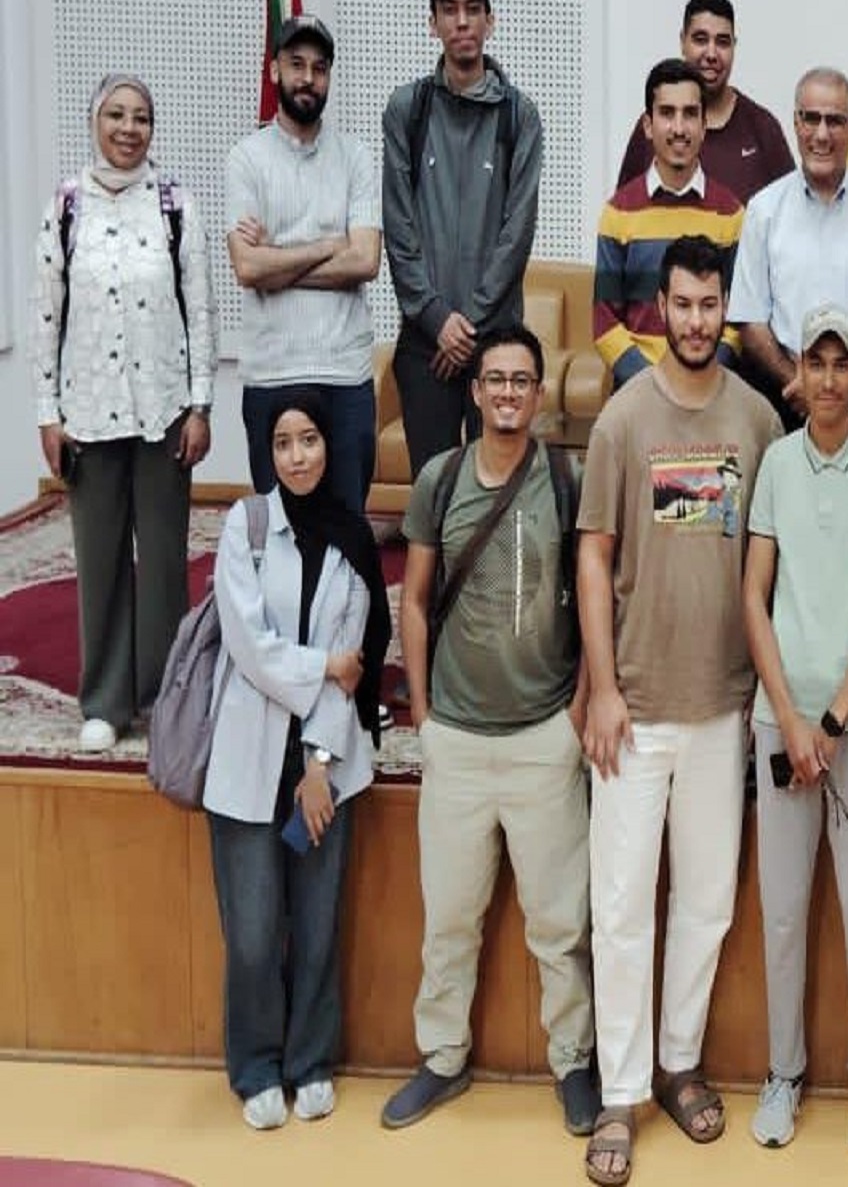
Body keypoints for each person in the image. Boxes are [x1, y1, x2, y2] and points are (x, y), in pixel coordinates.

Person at [575, 236, 783, 1186]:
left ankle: (676, 1062)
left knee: (703, 903)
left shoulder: (757, 420)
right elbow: (592, 555)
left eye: (712, 304)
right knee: (621, 906)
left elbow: (765, 565)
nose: (698, 320)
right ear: (658, 307)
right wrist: (604, 686)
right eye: (684, 304)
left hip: (724, 708)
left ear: (726, 308)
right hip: (636, 709)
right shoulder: (622, 420)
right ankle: (618, 1090)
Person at [381, 326, 597, 1136]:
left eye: (522, 381)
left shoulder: (566, 480)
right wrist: (425, 718)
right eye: (495, 380)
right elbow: (413, 595)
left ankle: (573, 1061)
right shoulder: (440, 479)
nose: (508, 393)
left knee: (560, 923)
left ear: (539, 393)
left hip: (546, 734)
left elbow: (593, 592)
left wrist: (577, 709)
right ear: (475, 392)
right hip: (460, 742)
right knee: (449, 914)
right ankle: (441, 1056)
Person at [743, 305, 848, 1153]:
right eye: (818, 362)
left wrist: (836, 719)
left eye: (845, 363)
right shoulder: (775, 460)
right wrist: (791, 717)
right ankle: (782, 1072)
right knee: (782, 911)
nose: (832, 378)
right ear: (800, 373)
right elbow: (753, 595)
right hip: (783, 724)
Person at [203, 392, 390, 1130]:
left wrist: (318, 764)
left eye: (310, 439)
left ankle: (309, 1058)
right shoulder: (243, 527)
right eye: (283, 443)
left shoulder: (352, 541)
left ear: (330, 446)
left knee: (316, 923)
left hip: (324, 759)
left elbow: (358, 666)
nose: (298, 456)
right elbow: (253, 650)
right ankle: (254, 1063)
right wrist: (325, 666)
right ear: (268, 454)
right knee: (251, 928)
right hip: (247, 754)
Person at [33, 72, 214, 751]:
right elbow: (46, 313)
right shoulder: (67, 206)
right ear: (94, 122)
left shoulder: (174, 205)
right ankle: (106, 701)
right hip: (90, 410)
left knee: (165, 559)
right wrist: (47, 412)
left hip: (164, 407)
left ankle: (165, 695)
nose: (129, 128)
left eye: (141, 117)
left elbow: (200, 311)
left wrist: (200, 405)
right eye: (116, 115)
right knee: (101, 558)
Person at [383, 0, 544, 473]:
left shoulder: (519, 115)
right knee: (432, 492)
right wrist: (436, 319)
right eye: (449, 11)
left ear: (490, 22)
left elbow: (516, 234)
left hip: (495, 339)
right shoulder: (408, 109)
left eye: (473, 11)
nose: (462, 22)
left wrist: (467, 326)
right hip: (424, 340)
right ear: (433, 23)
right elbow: (398, 226)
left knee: (495, 491)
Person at [226, 15, 384, 508]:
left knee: (346, 523)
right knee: (279, 532)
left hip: (344, 371)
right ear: (274, 70)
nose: (308, 78)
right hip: (273, 372)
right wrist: (326, 244)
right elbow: (248, 270)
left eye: (319, 68)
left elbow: (365, 261)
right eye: (296, 65)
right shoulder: (246, 159)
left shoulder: (354, 157)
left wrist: (278, 258)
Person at [728, 68, 848, 436]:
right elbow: (750, 320)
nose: (822, 134)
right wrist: (802, 382)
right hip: (785, 397)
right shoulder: (763, 210)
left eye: (835, 121)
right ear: (796, 123)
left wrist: (835, 384)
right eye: (811, 118)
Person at [593, 59, 746, 384]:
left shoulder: (731, 215)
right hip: (636, 394)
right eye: (667, 113)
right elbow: (604, 321)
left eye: (690, 114)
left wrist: (702, 376)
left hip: (709, 392)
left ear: (705, 125)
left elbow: (737, 322)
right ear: (648, 125)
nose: (679, 128)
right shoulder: (617, 213)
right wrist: (652, 386)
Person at [613, 0, 794, 201]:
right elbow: (624, 210)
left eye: (722, 42)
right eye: (700, 40)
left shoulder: (762, 129)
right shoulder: (655, 129)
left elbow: (790, 220)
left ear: (734, 46)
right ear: (683, 41)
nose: (711, 54)